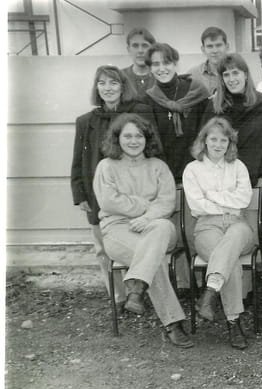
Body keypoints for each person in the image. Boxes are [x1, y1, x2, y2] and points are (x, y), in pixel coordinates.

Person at [93, 113, 193, 348]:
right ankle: (172, 322)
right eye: (127, 136)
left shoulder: (158, 166)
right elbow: (108, 201)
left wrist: (147, 217)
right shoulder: (106, 167)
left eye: (139, 136)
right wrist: (145, 206)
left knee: (161, 228)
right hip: (118, 229)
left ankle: (136, 286)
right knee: (152, 259)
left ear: (147, 139)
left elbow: (167, 203)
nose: (134, 141)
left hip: (157, 227)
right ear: (117, 138)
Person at [71, 65, 156, 309]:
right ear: (96, 88)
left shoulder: (139, 112)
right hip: (98, 194)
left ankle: (141, 292)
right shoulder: (86, 121)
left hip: (134, 192)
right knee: (103, 248)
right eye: (102, 83)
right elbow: (78, 160)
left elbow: (153, 150)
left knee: (137, 242)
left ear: (123, 86)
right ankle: (118, 297)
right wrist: (80, 193)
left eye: (113, 83)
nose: (107, 88)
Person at [183, 118, 255, 349]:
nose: (218, 144)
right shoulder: (192, 169)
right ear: (204, 140)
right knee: (229, 260)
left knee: (232, 241)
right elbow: (197, 204)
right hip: (207, 226)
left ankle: (209, 294)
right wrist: (226, 203)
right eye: (213, 139)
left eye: (224, 140)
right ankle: (234, 322)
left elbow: (243, 200)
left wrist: (211, 196)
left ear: (229, 143)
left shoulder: (238, 166)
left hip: (237, 225)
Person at [203, 53, 262, 185]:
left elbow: (260, 146)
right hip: (218, 178)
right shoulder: (214, 105)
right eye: (226, 75)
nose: (231, 79)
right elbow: (205, 143)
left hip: (253, 177)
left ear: (245, 75)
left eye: (235, 73)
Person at [144, 43, 210, 181]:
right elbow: (151, 141)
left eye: (166, 63)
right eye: (156, 64)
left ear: (175, 64)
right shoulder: (147, 100)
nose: (162, 68)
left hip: (198, 169)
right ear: (150, 68)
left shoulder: (196, 90)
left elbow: (206, 131)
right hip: (163, 173)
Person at [187, 27, 230, 96]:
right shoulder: (193, 75)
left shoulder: (237, 72)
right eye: (210, 46)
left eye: (218, 45)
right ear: (203, 49)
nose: (215, 51)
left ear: (227, 47)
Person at [121, 27, 156, 100]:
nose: (140, 51)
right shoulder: (120, 76)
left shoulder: (161, 76)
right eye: (135, 46)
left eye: (145, 46)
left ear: (152, 49)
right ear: (128, 49)